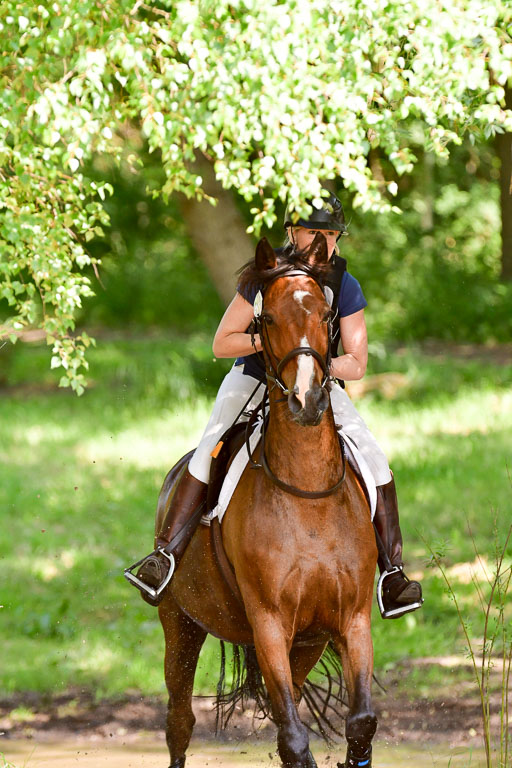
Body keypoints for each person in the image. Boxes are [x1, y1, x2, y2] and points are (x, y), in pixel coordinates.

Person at [125, 193, 423, 618]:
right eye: (313, 231)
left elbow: (357, 362)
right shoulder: (264, 276)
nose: (323, 240)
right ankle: (166, 555)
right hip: (253, 377)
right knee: (211, 446)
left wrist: (313, 365)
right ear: (291, 233)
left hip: (318, 383)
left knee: (374, 458)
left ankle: (392, 574)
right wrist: (277, 346)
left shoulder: (345, 285)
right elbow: (221, 342)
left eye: (331, 234)